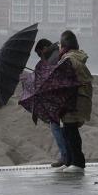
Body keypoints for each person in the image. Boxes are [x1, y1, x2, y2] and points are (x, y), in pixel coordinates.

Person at [58, 30, 93, 173]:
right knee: (67, 130)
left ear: (64, 45)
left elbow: (64, 81)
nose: (59, 47)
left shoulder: (68, 59)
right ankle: (70, 161)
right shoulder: (72, 57)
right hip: (75, 99)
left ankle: (77, 163)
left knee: (71, 131)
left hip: (74, 100)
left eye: (60, 44)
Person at [33, 39, 69, 168]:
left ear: (44, 48)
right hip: (62, 97)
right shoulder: (56, 55)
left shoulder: (54, 57)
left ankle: (65, 156)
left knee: (56, 126)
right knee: (63, 127)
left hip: (60, 98)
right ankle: (67, 156)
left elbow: (53, 77)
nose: (39, 56)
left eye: (39, 53)